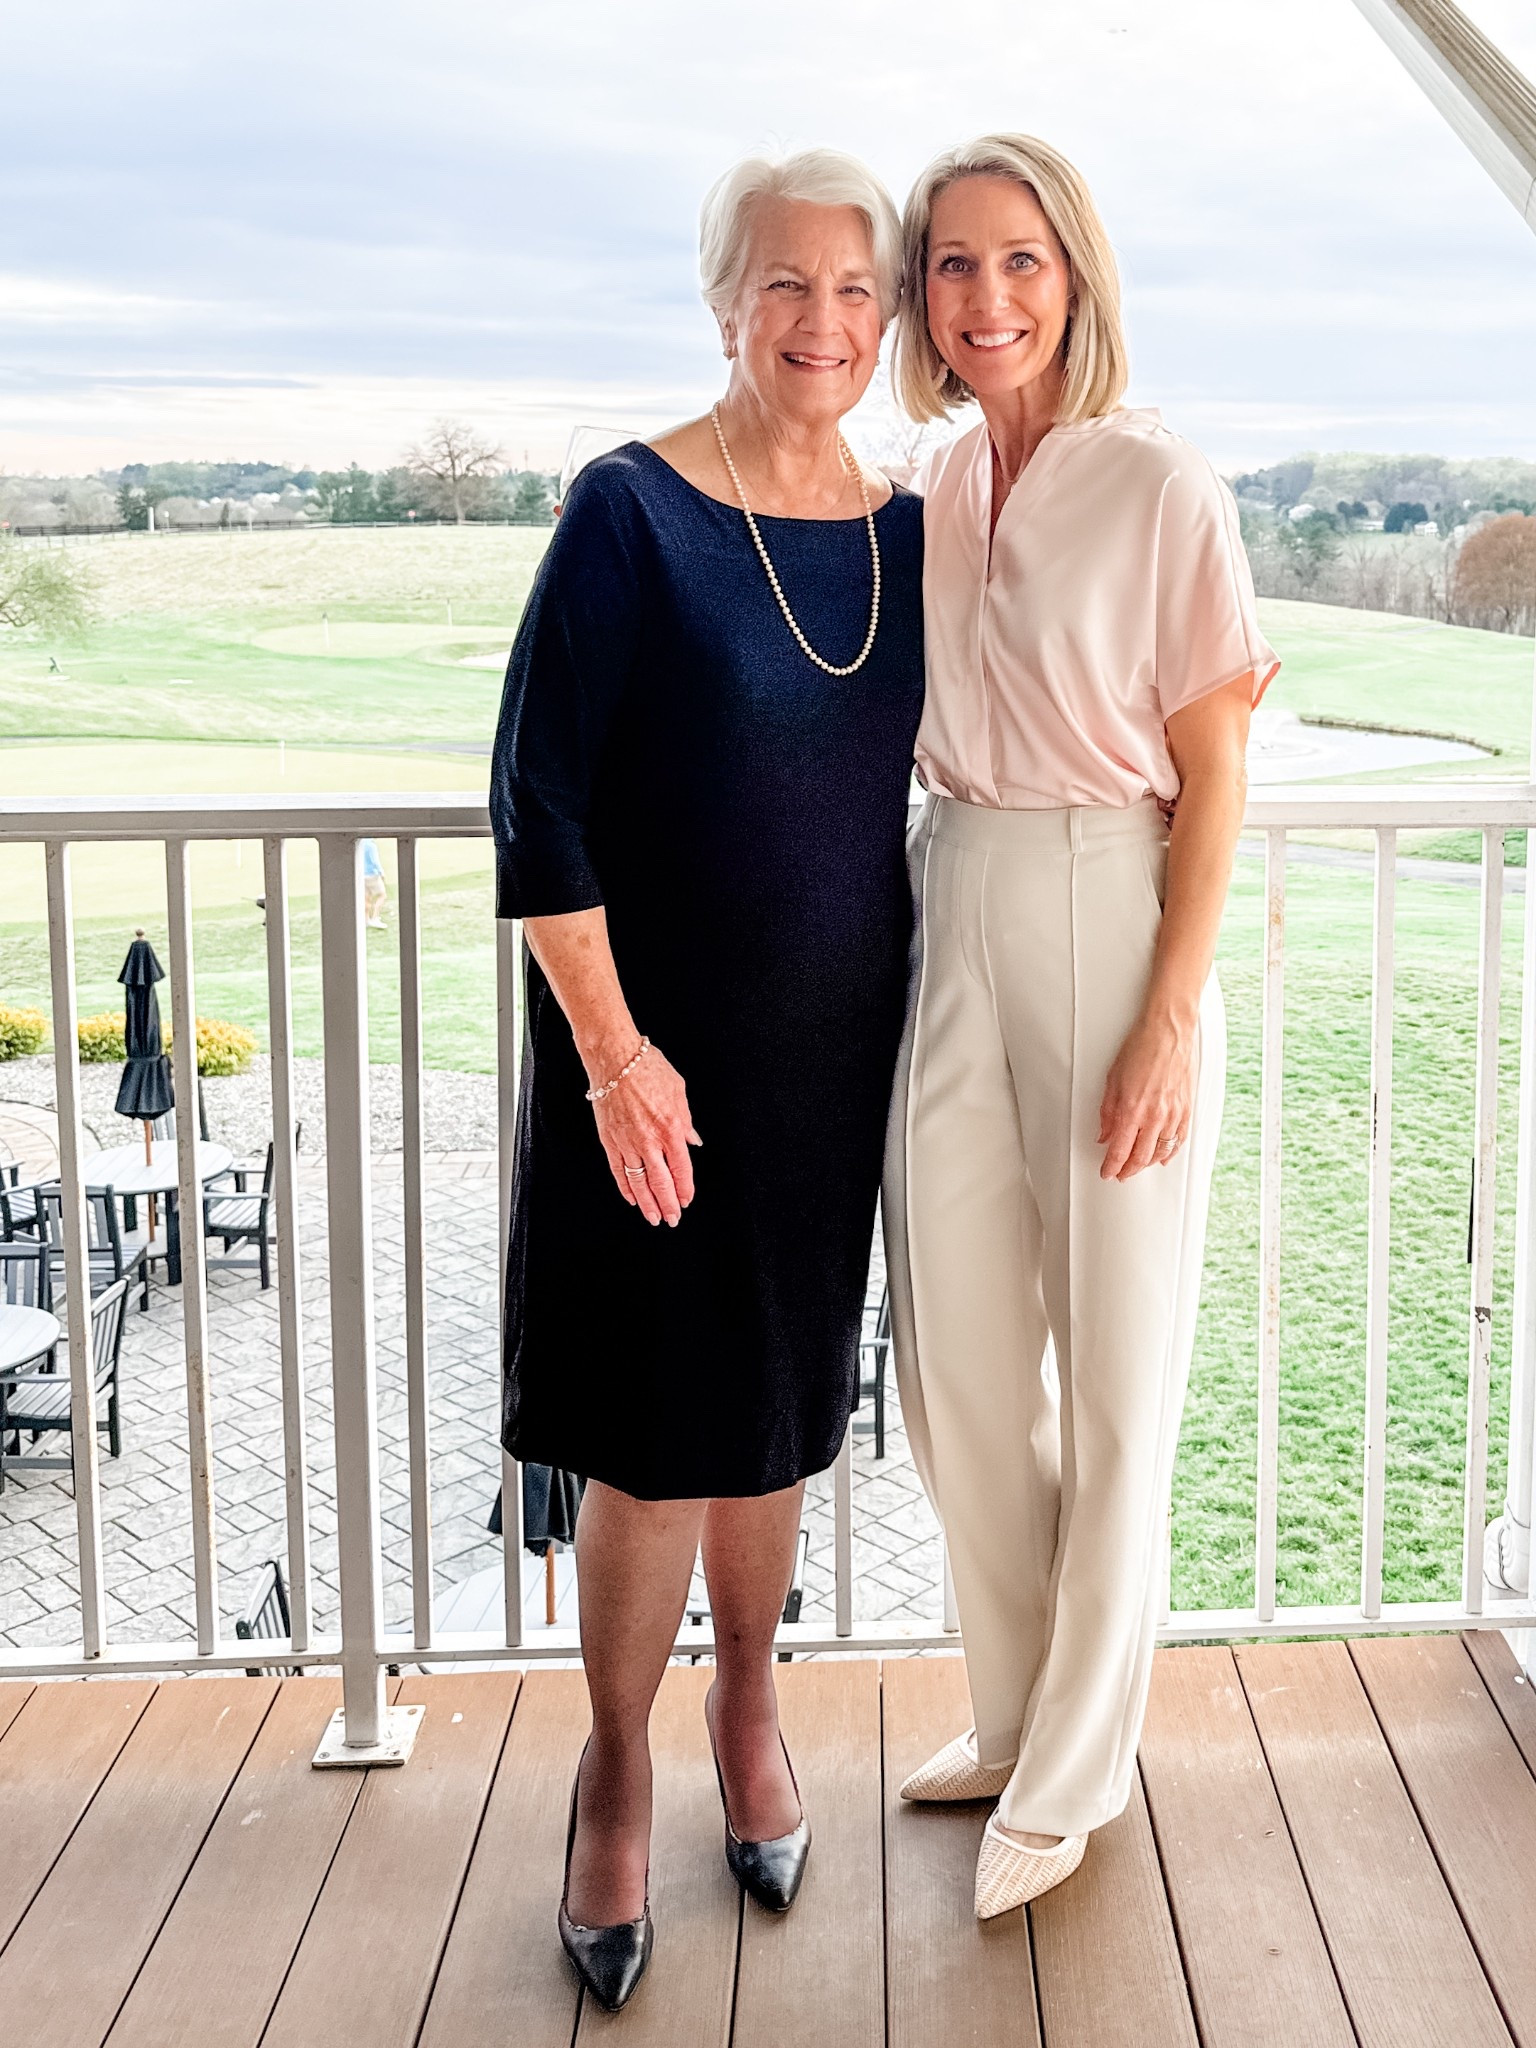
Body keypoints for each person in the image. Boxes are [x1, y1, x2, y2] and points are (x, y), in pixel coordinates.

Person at [490, 148, 923, 2012]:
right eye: (784, 284)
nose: (823, 321)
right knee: (652, 1432)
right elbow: (537, 801)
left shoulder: (912, 534)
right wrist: (613, 1055)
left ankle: (751, 1709)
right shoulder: (629, 512)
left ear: (886, 314)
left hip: (830, 1061)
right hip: (648, 1071)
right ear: (722, 301)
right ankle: (615, 1766)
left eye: (855, 287)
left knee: (780, 1410)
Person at [885, 134, 1278, 1920]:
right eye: (954, 265)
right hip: (950, 893)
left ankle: (1075, 1769)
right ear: (922, 296)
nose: (989, 297)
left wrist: (1169, 1016)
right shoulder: (934, 481)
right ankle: (1018, 1709)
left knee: (1119, 1375)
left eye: (1021, 259)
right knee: (956, 1361)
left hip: (1111, 906)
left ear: (1077, 275)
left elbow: (1216, 772)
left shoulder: (1160, 484)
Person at [360, 838, 387, 926]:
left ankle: (366, 920)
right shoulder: (371, 845)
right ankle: (375, 917)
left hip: (362, 874)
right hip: (372, 874)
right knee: (382, 895)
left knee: (367, 898)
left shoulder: (360, 842)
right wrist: (381, 872)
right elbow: (375, 861)